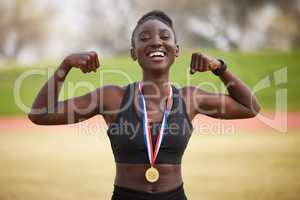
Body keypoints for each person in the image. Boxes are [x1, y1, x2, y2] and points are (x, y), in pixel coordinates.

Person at [28, 10, 260, 200]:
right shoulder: (112, 98)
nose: (156, 42)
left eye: (165, 37)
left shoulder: (190, 99)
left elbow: (250, 107)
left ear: (176, 50)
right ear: (133, 53)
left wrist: (219, 67)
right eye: (145, 38)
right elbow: (40, 114)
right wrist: (66, 64)